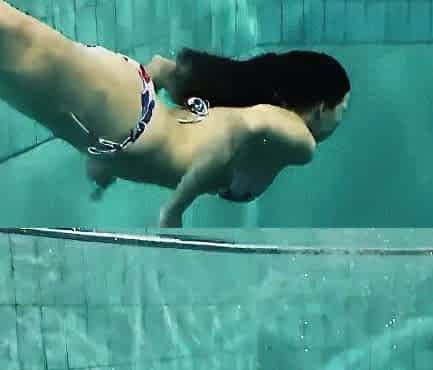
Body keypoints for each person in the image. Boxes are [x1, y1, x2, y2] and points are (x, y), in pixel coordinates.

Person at [0, 0, 351, 227]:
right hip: (132, 127)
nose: (341, 119)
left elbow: (163, 69)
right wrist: (175, 210)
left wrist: (108, 161)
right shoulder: (299, 140)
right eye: (342, 109)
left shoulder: (258, 118)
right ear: (322, 107)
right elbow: (239, 130)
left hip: (128, 120)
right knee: (15, 38)